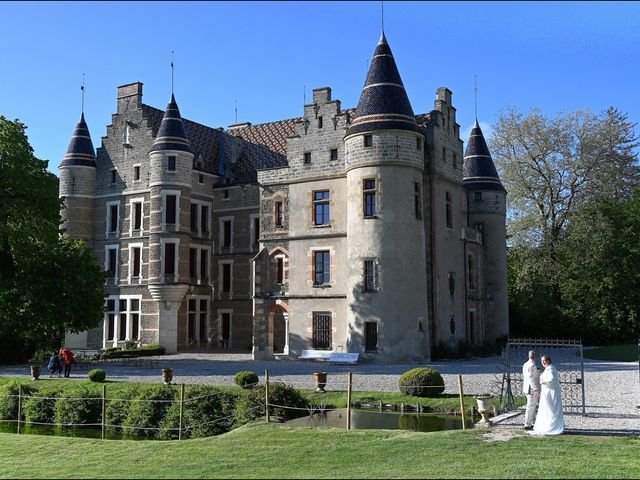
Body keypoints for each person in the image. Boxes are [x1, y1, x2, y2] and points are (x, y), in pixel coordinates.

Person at [531, 354, 565, 435]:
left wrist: (543, 382)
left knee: (551, 409)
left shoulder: (550, 369)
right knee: (547, 409)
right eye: (542, 361)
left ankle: (552, 426)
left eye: (544, 360)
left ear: (548, 360)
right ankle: (547, 425)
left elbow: (552, 379)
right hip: (547, 393)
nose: (543, 362)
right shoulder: (548, 369)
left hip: (550, 393)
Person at [522, 350, 541, 430]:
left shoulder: (525, 364)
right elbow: (531, 378)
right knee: (531, 406)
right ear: (535, 356)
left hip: (527, 387)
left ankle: (532, 422)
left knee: (532, 406)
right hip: (531, 388)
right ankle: (527, 424)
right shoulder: (532, 365)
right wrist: (535, 389)